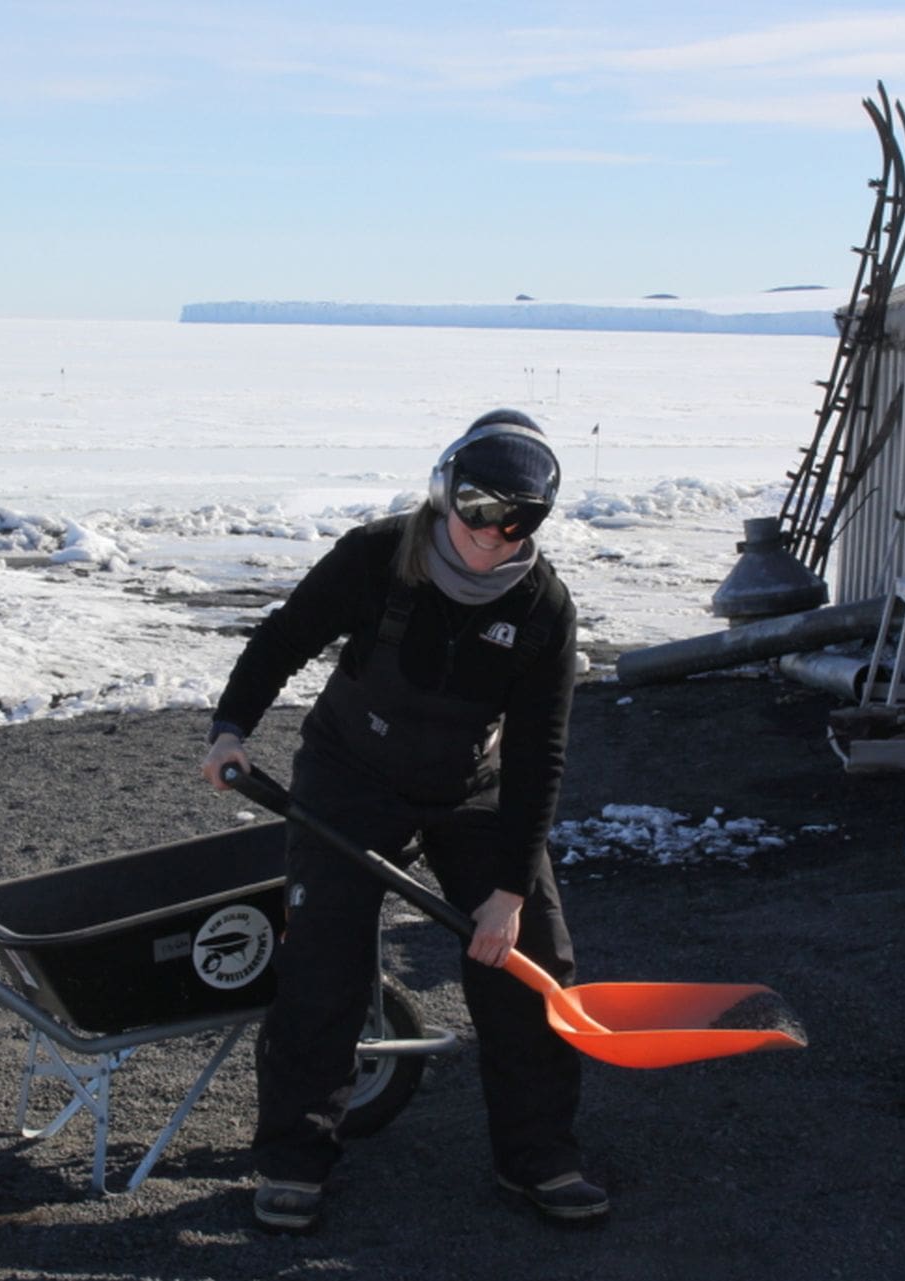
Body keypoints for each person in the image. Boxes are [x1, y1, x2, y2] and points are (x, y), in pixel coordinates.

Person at [200, 407, 605, 1233]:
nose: (492, 538)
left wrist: (508, 892)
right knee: (324, 957)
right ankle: (294, 1157)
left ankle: (537, 1156)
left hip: (473, 785)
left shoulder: (542, 607)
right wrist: (230, 727)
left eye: (518, 523)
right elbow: (284, 638)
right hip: (352, 770)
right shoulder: (376, 556)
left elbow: (540, 756)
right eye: (478, 513)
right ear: (444, 492)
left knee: (532, 959)